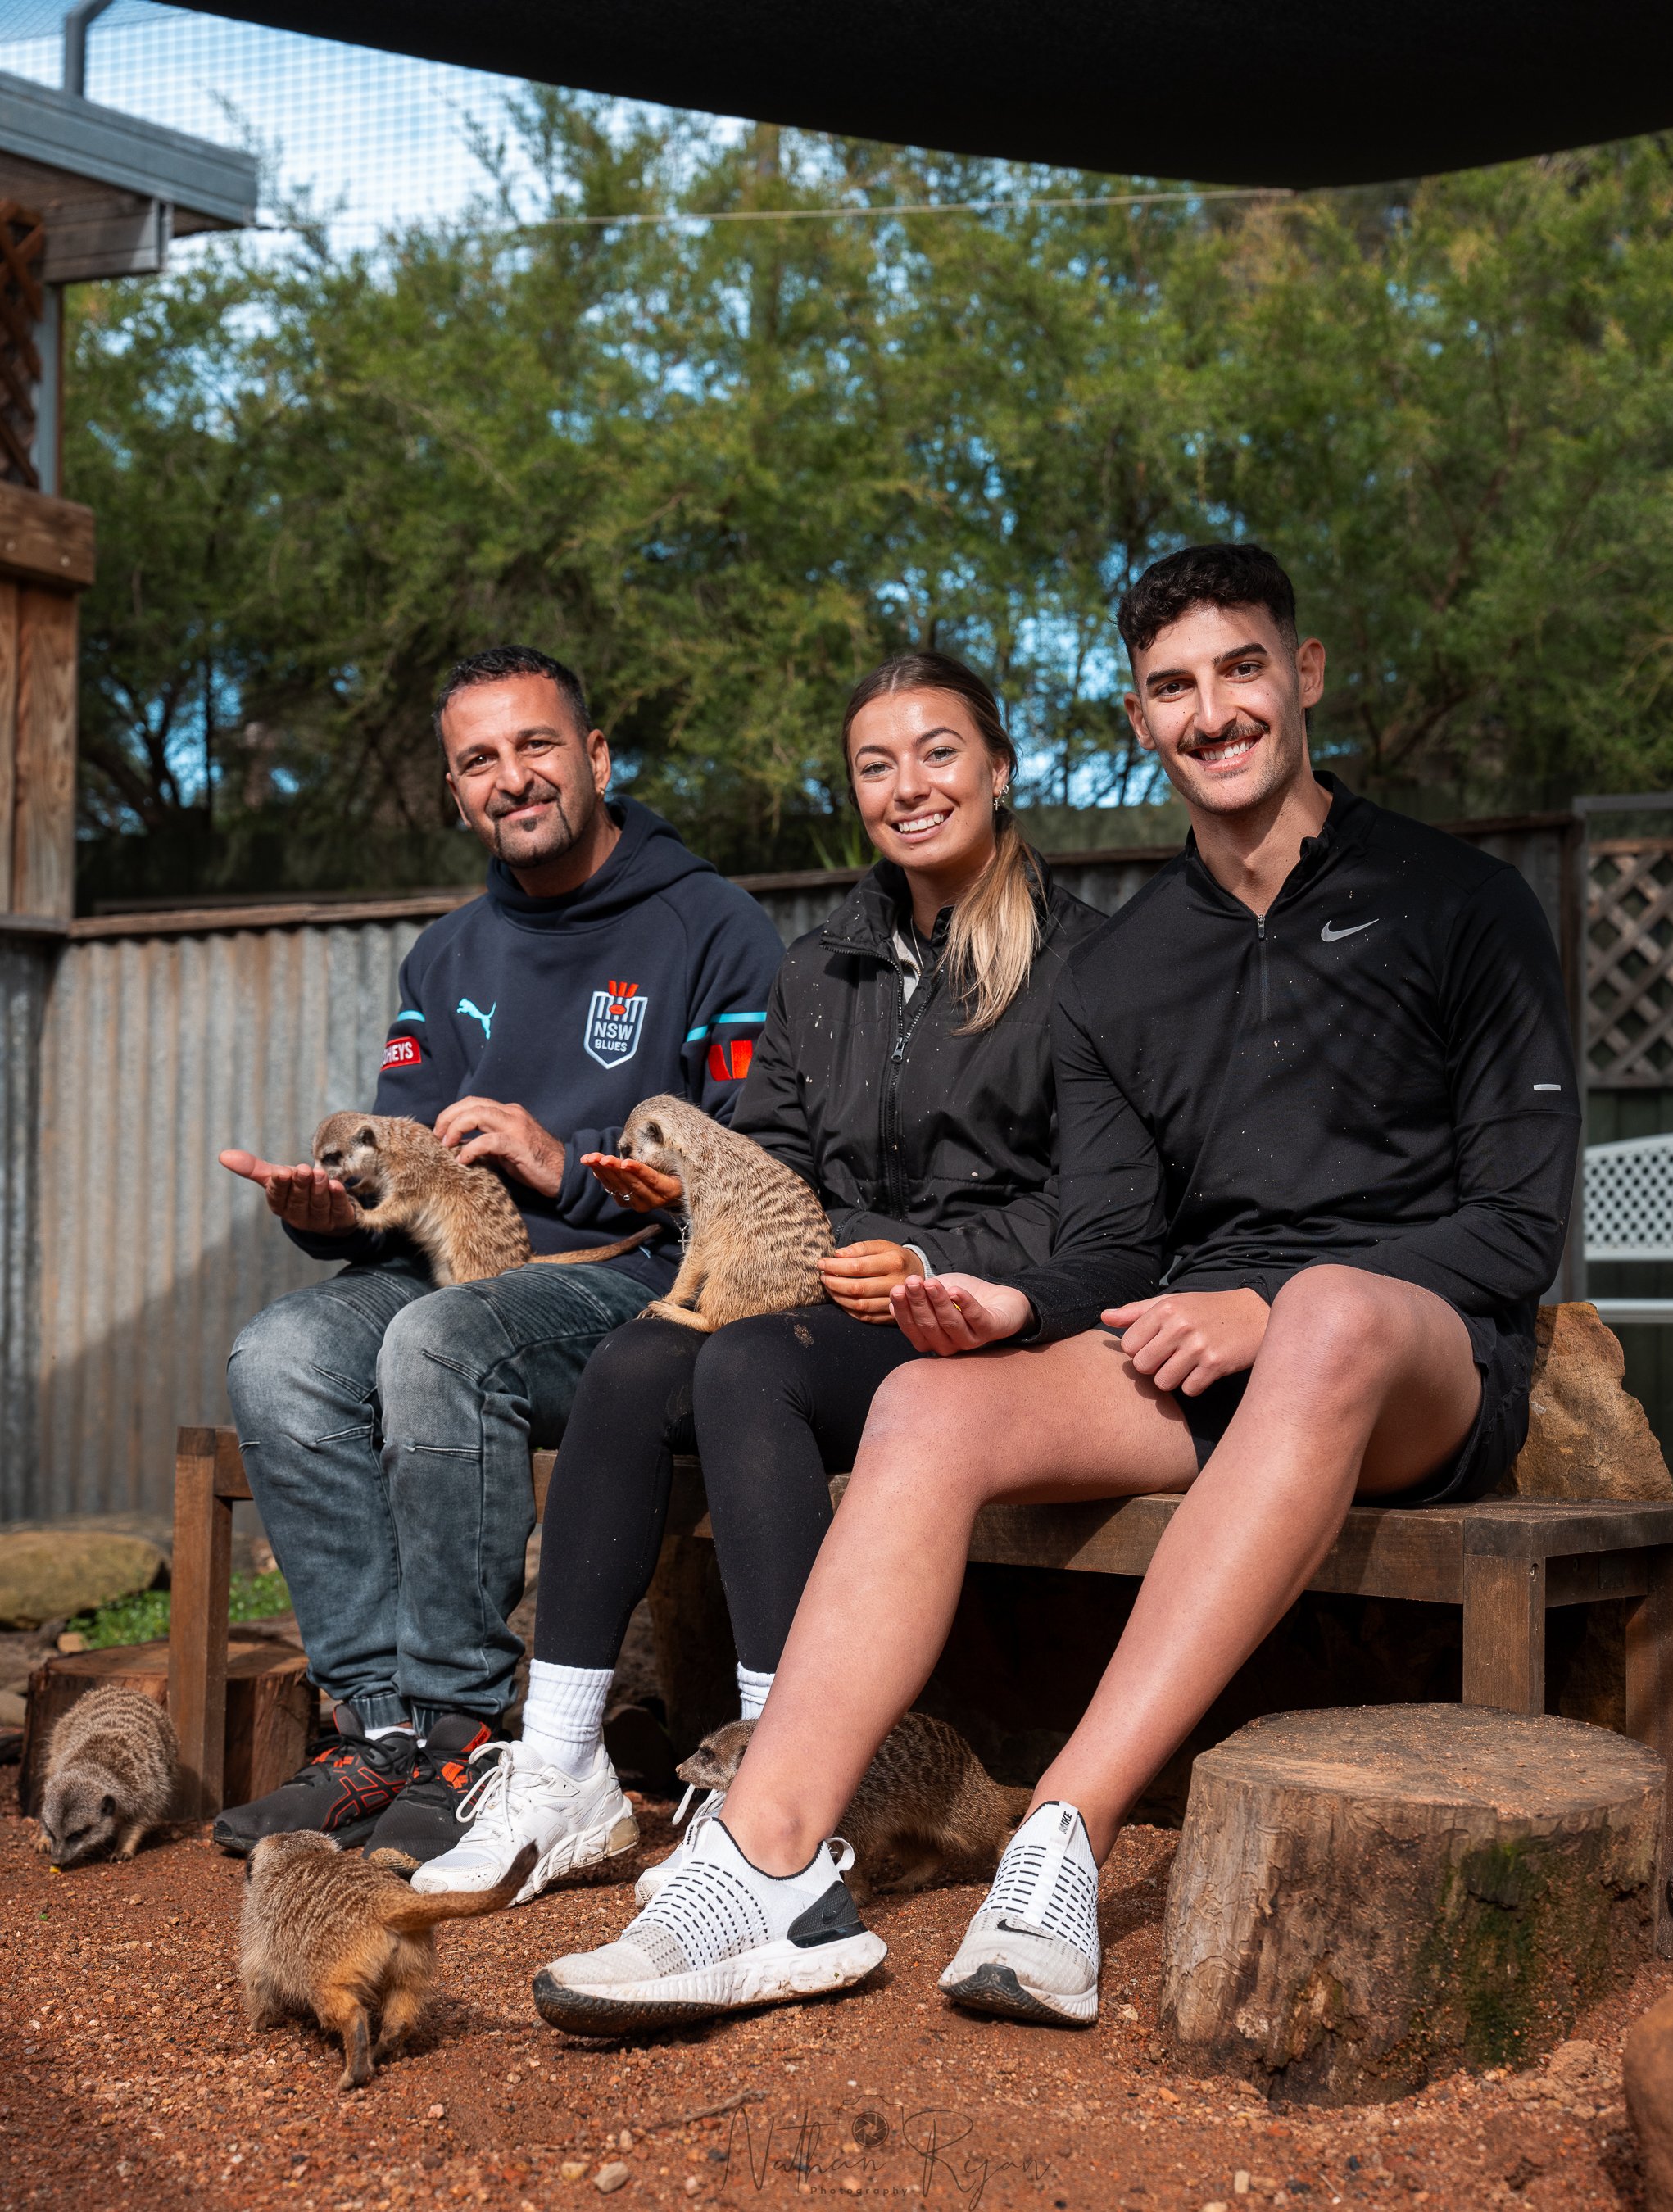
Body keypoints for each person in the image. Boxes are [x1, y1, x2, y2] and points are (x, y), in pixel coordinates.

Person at [527, 543, 1583, 2037]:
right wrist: (1012, 1310)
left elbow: (1517, 1226)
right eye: (1172, 687)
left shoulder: (1459, 900)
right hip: (1193, 1353)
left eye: (1240, 670)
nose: (1211, 712)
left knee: (1333, 1310)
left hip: (1412, 1362)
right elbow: (1105, 1242)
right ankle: (770, 1868)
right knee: (925, 1407)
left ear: (1307, 674)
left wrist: (1274, 1310)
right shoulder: (1127, 965)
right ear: (1140, 718)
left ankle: (1062, 1840)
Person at [407, 650, 1104, 1905]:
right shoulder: (819, 966)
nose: (909, 788)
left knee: (740, 1366)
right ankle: (562, 1769)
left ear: (1000, 770)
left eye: (938, 754)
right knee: (632, 1363)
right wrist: (691, 1197)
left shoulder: (1087, 965)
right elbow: (773, 1163)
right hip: (825, 1287)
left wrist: (941, 1259)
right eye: (875, 766)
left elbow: (1104, 1202)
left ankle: (784, 1791)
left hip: (982, 1307)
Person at [212, 644, 783, 1862]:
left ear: (595, 757)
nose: (511, 778)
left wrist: (565, 1160)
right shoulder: (448, 955)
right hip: (447, 1275)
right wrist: (336, 1209)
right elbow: (403, 1172)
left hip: (638, 1292)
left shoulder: (715, 929)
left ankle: (463, 1728)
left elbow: (757, 1180)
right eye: (479, 760)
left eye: (534, 746)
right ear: (456, 791)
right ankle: (379, 1733)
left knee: (437, 1343)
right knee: (278, 1354)